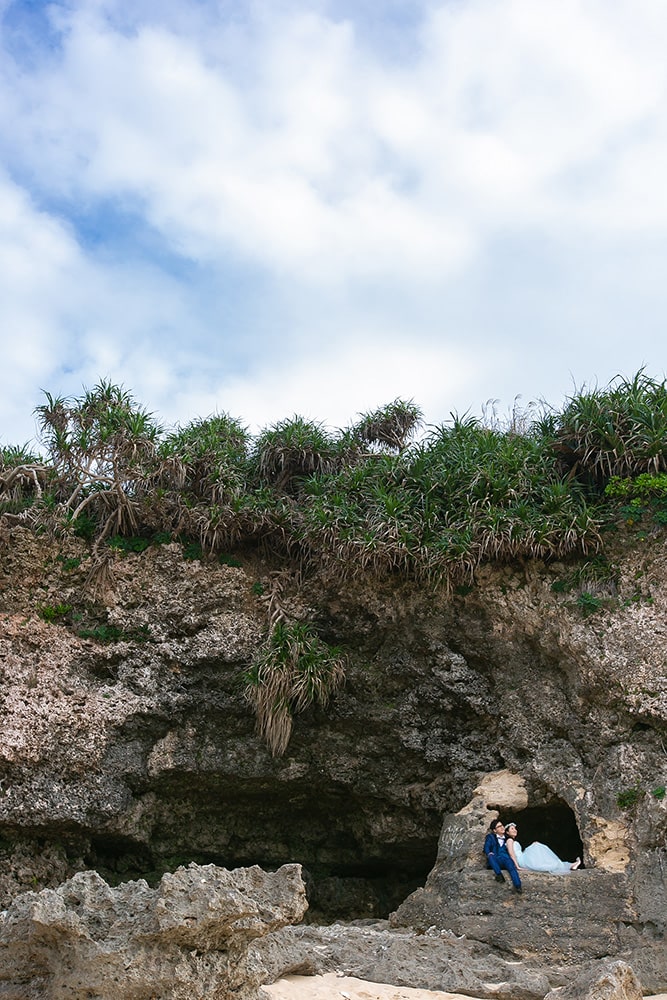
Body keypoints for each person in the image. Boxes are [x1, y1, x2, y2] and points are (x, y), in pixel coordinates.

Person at [504, 821, 581, 874]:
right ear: (507, 832)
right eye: (512, 829)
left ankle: (570, 865)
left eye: (515, 828)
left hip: (521, 859)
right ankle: (569, 865)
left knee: (538, 850)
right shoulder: (509, 840)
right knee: (537, 847)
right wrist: (517, 866)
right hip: (521, 861)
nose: (515, 830)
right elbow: (511, 854)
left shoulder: (512, 841)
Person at [483, 819, 522, 892]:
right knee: (491, 856)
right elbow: (486, 847)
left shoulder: (508, 839)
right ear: (494, 830)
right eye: (499, 826)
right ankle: (499, 875)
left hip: (505, 859)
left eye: (502, 825)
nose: (502, 827)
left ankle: (518, 886)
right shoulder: (491, 837)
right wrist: (489, 852)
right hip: (496, 859)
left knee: (511, 865)